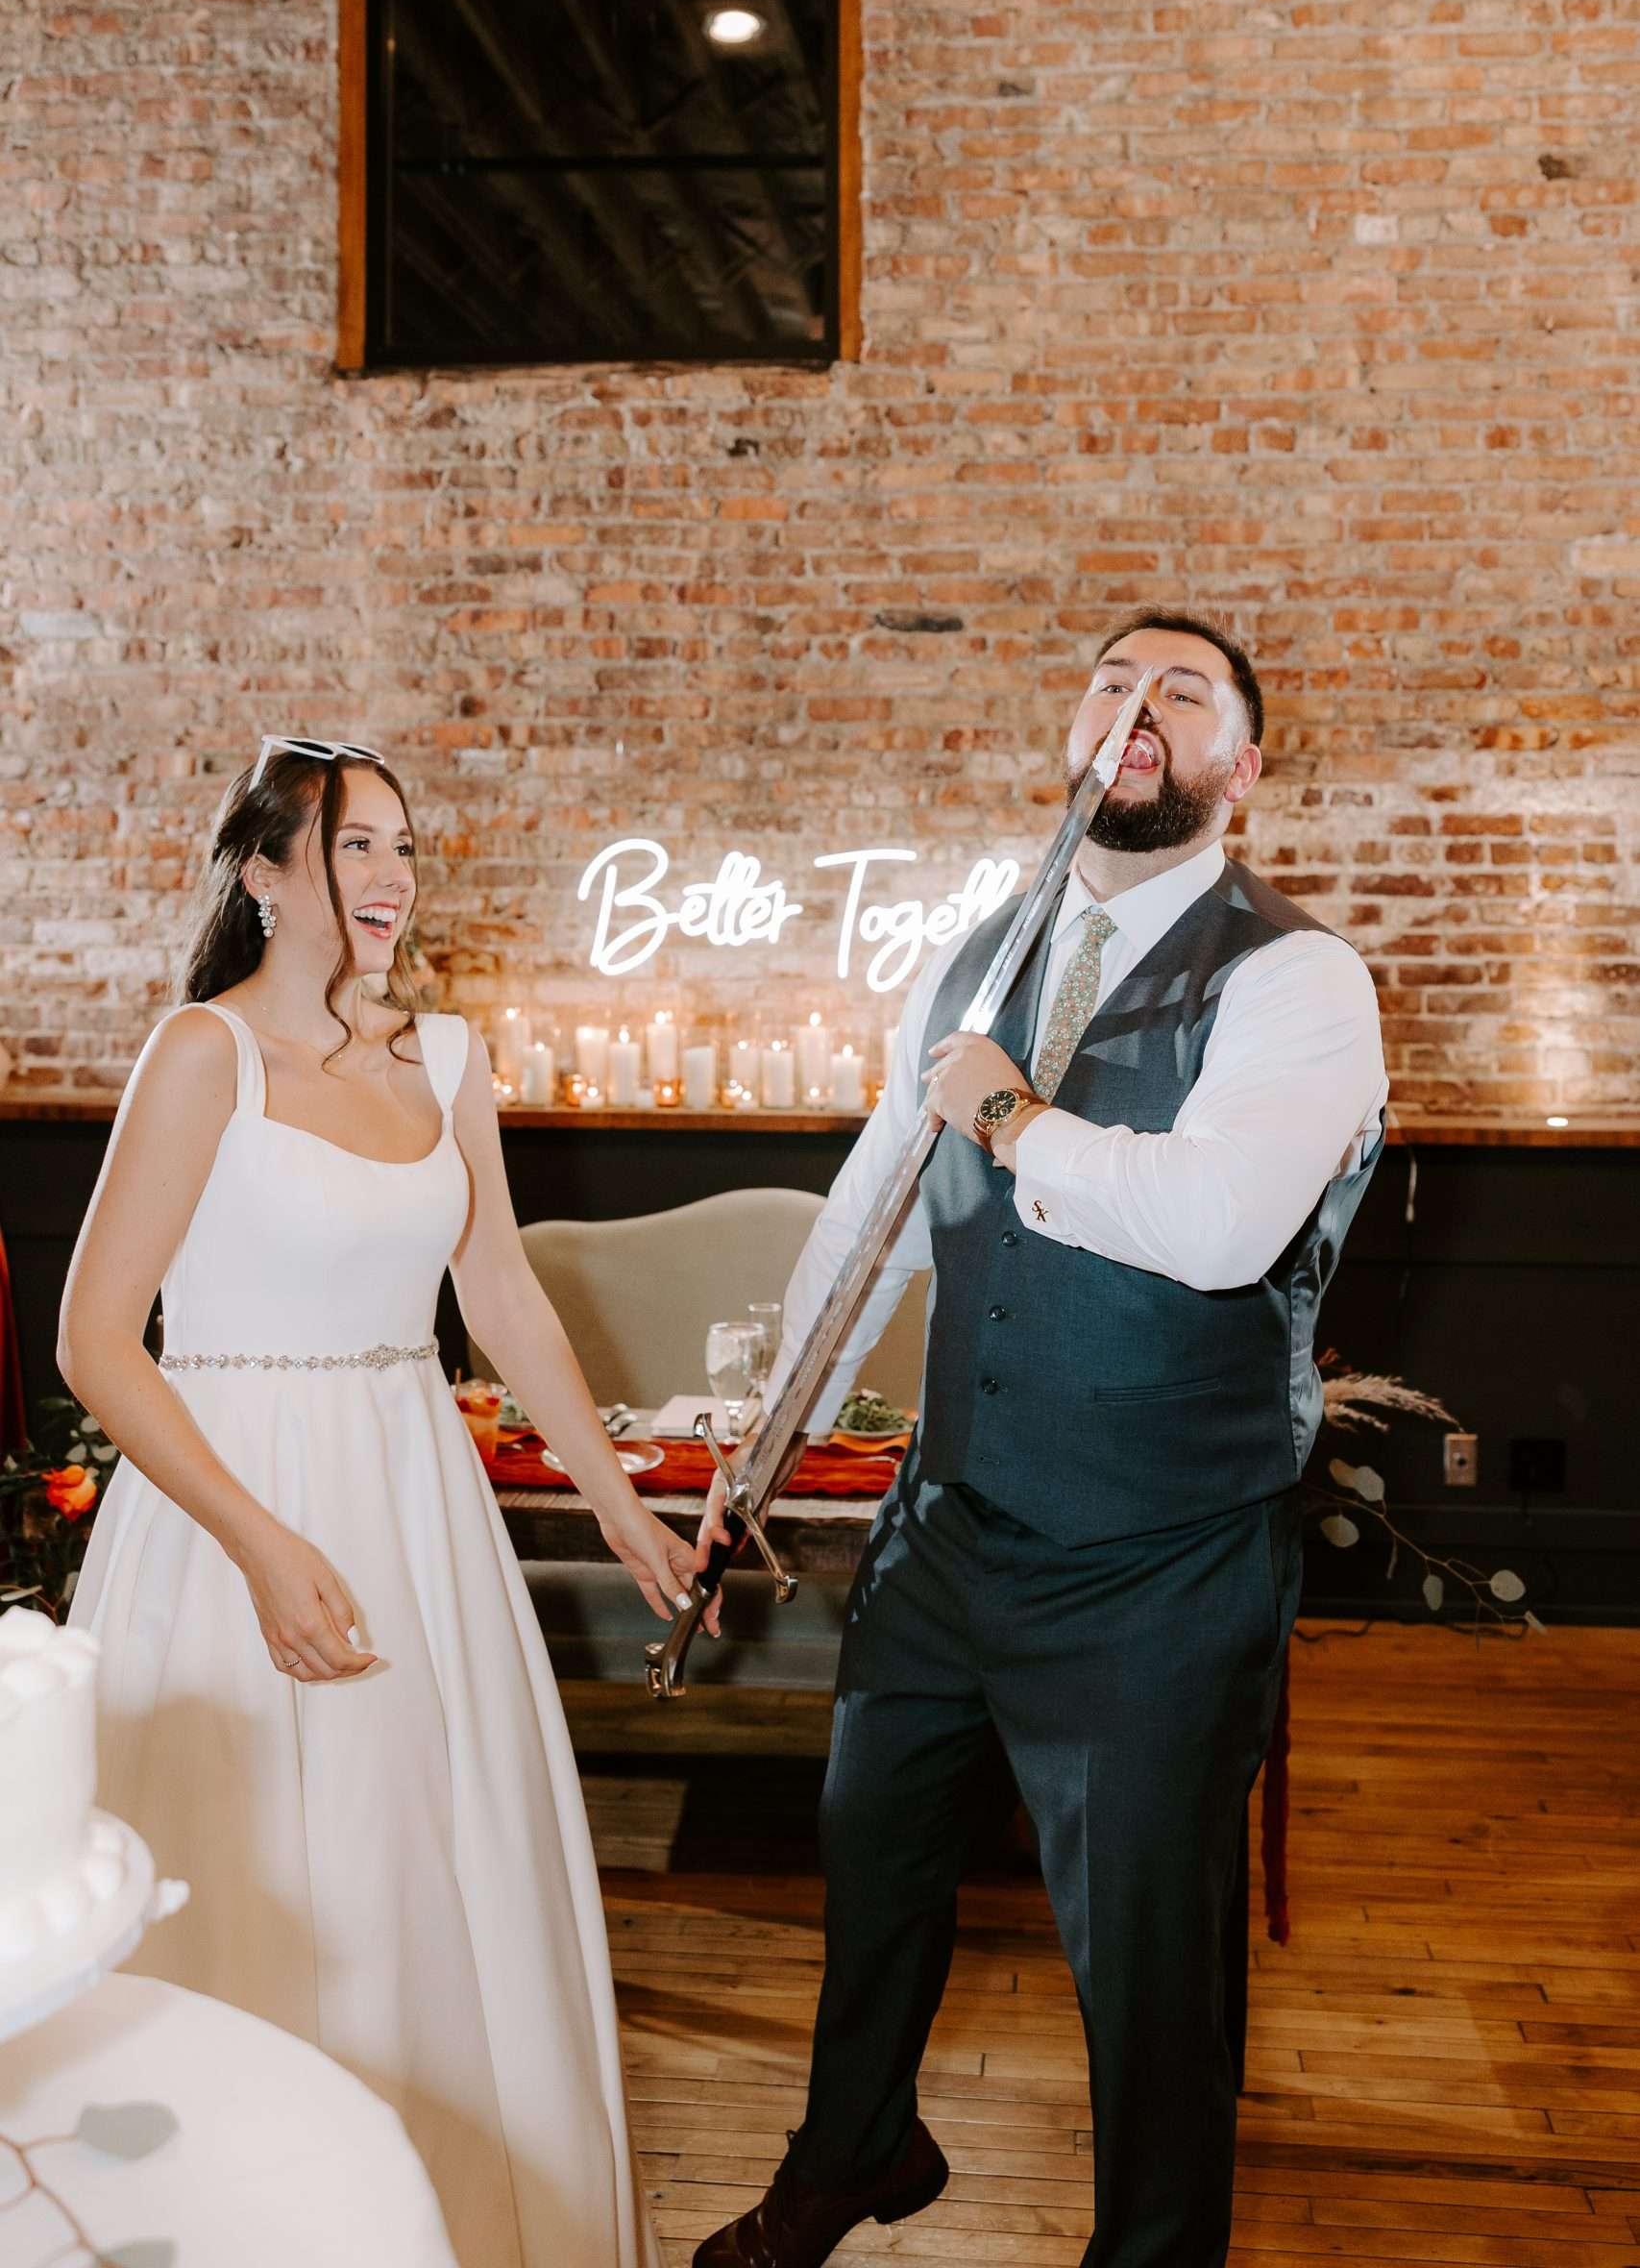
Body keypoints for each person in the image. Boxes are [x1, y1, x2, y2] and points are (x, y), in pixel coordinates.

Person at [693, 611, 1388, 2268]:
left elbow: (1219, 1225)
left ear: (1241, 768)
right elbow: (876, 1208)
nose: (1135, 704)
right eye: (1110, 681)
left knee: (1149, 1964)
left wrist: (1011, 1112)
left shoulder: (1297, 978)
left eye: (1182, 691)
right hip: (947, 1525)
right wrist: (764, 1452)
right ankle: (855, 2150)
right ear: (1074, 736)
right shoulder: (968, 960)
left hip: (1163, 1556)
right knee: (873, 1866)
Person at [61, 733, 691, 2268]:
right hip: (229, 1509)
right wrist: (260, 1544)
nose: (392, 875)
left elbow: (503, 1294)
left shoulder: (449, 1058)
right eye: (355, 844)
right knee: (264, 1888)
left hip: (417, 1509)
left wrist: (616, 1503)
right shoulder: (201, 1055)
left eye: (404, 845)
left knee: (425, 1869)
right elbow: (95, 1341)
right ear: (264, 873)